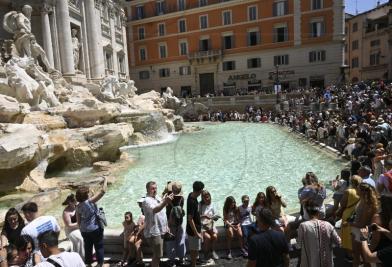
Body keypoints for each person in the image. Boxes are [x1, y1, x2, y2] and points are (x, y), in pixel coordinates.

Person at [76, 177, 107, 267]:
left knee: (88, 247)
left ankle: (88, 264)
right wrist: (105, 180)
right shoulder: (90, 201)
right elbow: (103, 191)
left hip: (84, 230)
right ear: (86, 195)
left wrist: (82, 230)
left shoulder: (77, 206)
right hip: (94, 229)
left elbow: (78, 221)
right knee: (99, 246)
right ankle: (100, 264)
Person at [297, 202, 341, 267]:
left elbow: (299, 244)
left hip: (311, 261)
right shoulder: (327, 224)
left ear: (307, 213)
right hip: (326, 260)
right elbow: (338, 241)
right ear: (318, 212)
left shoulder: (303, 226)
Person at [143, 181, 173, 267]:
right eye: (152, 188)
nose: (155, 190)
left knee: (157, 254)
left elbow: (163, 213)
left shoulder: (157, 197)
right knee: (158, 255)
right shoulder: (146, 201)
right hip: (154, 232)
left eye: (156, 188)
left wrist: (166, 226)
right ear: (147, 189)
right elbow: (156, 209)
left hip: (161, 230)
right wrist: (165, 202)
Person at [349, 182, 379, 267]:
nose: (356, 189)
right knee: (364, 257)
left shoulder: (366, 204)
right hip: (360, 231)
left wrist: (350, 223)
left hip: (360, 232)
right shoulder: (363, 201)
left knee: (356, 256)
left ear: (363, 191)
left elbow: (363, 224)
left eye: (358, 188)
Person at [335, 175, 362, 256]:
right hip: (358, 213)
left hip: (348, 214)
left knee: (347, 234)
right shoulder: (362, 190)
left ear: (352, 182)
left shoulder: (349, 191)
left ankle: (350, 254)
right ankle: (356, 252)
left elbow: (342, 204)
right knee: (355, 233)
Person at [165, 181, 186, 266]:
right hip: (179, 222)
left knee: (170, 243)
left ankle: (172, 261)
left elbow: (164, 204)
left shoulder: (169, 198)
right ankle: (181, 259)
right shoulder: (182, 198)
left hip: (171, 223)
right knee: (181, 241)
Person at [186, 181, 204, 267]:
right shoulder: (192, 202)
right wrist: (196, 233)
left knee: (195, 249)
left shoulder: (191, 195)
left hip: (195, 228)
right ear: (199, 191)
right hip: (193, 231)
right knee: (194, 249)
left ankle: (194, 264)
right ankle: (193, 265)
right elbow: (190, 219)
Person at [62, 194, 84, 260]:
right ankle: (79, 258)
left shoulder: (77, 206)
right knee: (80, 238)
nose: (76, 203)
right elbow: (68, 225)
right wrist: (79, 223)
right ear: (69, 202)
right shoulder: (66, 212)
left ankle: (90, 255)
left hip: (79, 227)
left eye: (77, 202)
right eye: (75, 202)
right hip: (71, 230)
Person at [199, 190, 219, 261]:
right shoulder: (200, 205)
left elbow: (215, 216)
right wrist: (204, 216)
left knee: (215, 236)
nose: (207, 199)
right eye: (205, 197)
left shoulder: (213, 205)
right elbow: (197, 217)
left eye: (208, 197)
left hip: (211, 225)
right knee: (208, 238)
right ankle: (205, 253)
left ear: (210, 196)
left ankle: (213, 251)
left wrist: (214, 218)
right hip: (202, 226)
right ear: (202, 198)